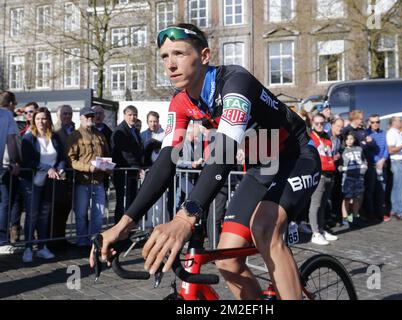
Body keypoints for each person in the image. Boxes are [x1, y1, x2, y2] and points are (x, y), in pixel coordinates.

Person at [91, 23, 321, 300]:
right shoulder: (180, 102)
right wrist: (123, 224)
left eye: (179, 53)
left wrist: (186, 216)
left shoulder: (236, 82)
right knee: (227, 261)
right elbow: (165, 162)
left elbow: (223, 152)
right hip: (261, 167)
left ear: (204, 56)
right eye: (164, 57)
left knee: (264, 227)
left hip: (296, 157)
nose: (170, 64)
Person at [21, 107, 66, 262]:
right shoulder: (28, 138)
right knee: (32, 215)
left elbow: (61, 156)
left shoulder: (54, 137)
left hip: (50, 181)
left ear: (49, 120)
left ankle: (42, 247)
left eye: (44, 118)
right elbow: (28, 161)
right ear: (34, 120)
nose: (41, 121)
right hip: (33, 182)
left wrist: (59, 168)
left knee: (45, 216)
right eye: (38, 118)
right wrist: (48, 168)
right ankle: (28, 248)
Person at [67, 107, 110, 247]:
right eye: (87, 116)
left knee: (98, 215)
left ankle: (94, 242)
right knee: (80, 214)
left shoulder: (100, 135)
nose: (90, 118)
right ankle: (81, 241)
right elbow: (71, 160)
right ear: (80, 118)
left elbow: (107, 155)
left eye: (91, 116)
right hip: (82, 181)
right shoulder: (75, 135)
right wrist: (88, 167)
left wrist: (108, 167)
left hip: (98, 181)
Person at [306, 114, 338, 245]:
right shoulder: (311, 137)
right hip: (319, 175)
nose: (320, 125)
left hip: (329, 174)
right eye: (317, 123)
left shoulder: (327, 138)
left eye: (322, 123)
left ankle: (321, 229)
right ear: (313, 123)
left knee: (323, 204)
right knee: (316, 204)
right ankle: (315, 233)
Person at [48, 105, 75, 250]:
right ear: (58, 115)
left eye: (70, 113)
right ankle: (54, 240)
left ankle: (61, 237)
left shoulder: (74, 129)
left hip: (71, 173)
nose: (67, 116)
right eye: (64, 113)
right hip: (58, 174)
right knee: (56, 209)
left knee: (66, 208)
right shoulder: (55, 131)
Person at [111, 105, 144, 223]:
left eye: (135, 115)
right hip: (124, 171)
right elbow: (126, 153)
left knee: (130, 202)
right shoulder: (120, 130)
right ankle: (119, 230)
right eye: (130, 115)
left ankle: (127, 230)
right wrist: (137, 168)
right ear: (124, 115)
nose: (133, 117)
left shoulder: (134, 130)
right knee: (123, 202)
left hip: (131, 172)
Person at [0, 91, 21, 255]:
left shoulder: (6, 114)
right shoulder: (6, 115)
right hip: (2, 168)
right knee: (3, 204)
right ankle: (1, 240)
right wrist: (14, 162)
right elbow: (12, 141)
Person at [364, 114, 389, 222]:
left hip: (381, 165)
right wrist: (377, 159)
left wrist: (383, 159)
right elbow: (366, 150)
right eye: (373, 122)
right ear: (369, 122)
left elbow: (386, 148)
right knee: (370, 191)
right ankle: (371, 214)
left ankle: (380, 213)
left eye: (377, 122)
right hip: (371, 165)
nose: (375, 124)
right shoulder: (366, 133)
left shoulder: (383, 133)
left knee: (381, 191)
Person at [339, 132, 368, 225]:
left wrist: (364, 169)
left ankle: (355, 216)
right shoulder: (342, 151)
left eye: (351, 138)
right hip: (348, 178)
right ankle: (345, 217)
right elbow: (339, 166)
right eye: (347, 139)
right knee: (347, 198)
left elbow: (364, 161)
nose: (349, 141)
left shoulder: (359, 149)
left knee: (357, 198)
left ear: (354, 139)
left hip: (359, 177)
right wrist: (345, 169)